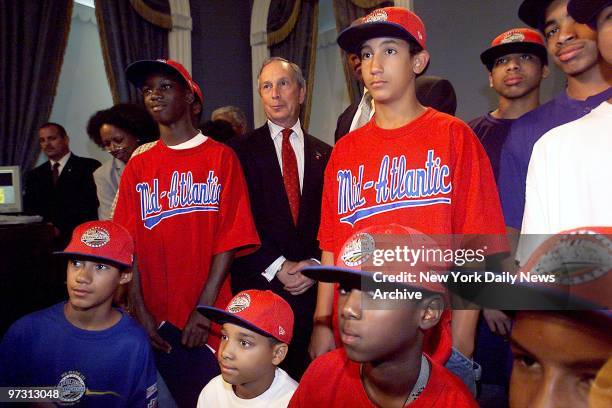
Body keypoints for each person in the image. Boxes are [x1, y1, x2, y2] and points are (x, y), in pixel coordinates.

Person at [310, 6, 508, 395]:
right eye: (366, 54)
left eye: (389, 51)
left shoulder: (454, 137)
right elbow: (332, 245)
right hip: (358, 341)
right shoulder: (345, 151)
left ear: (418, 61)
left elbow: (478, 245)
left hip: (436, 340)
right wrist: (321, 323)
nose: (375, 65)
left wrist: (463, 345)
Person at [113, 58, 260, 405]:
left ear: (190, 97)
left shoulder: (221, 158)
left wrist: (205, 308)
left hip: (208, 316)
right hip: (155, 321)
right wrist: (141, 312)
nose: (154, 95)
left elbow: (231, 239)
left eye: (165, 87)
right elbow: (126, 246)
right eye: (148, 89)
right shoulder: (138, 165)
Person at [290, 225, 478, 407]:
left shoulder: (455, 402)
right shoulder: (322, 375)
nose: (348, 309)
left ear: (428, 312)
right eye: (345, 289)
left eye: (374, 293)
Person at [229, 57, 332, 380]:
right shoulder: (236, 152)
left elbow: (333, 220)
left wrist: (316, 264)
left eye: (283, 84)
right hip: (260, 289)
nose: (275, 94)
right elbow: (236, 221)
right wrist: (278, 266)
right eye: (266, 86)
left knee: (311, 388)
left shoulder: (327, 154)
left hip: (313, 299)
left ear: (301, 92)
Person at [497, 0, 612, 256]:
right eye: (551, 31)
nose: (563, 36)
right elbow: (514, 231)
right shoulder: (528, 131)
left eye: (576, 21)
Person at [0, 220, 158, 407]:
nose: (82, 277)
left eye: (100, 267)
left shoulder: (134, 343)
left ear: (124, 275)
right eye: (76, 262)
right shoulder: (26, 332)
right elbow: (5, 393)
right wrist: (37, 398)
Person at [469, 27, 549, 183]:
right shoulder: (471, 134)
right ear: (491, 78)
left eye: (525, 57)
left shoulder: (562, 126)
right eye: (501, 61)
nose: (512, 66)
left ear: (544, 70)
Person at [196, 290, 298, 407]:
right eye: (225, 336)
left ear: (277, 354)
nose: (225, 352)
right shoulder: (212, 392)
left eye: (244, 343)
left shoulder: (294, 402)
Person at [24, 122, 100, 249]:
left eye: (52, 138)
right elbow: (31, 211)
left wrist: (61, 228)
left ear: (66, 139)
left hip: (82, 241)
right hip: (46, 245)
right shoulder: (34, 175)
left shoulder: (88, 167)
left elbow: (90, 206)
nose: (47, 144)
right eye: (42, 140)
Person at [87, 103, 159, 220]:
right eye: (107, 144)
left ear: (136, 134)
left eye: (118, 140)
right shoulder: (103, 174)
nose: (113, 148)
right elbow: (109, 219)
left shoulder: (159, 158)